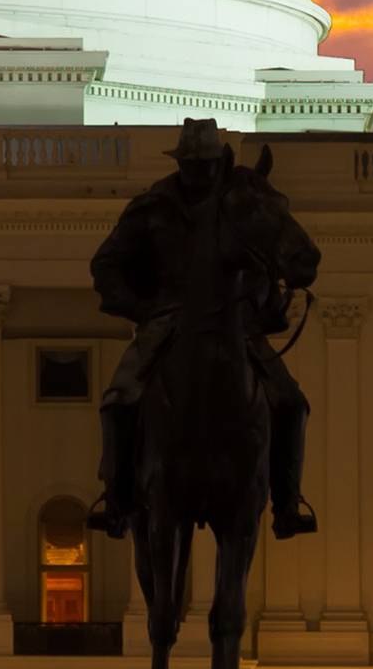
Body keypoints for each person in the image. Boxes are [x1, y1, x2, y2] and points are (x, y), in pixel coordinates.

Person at [89, 115, 319, 538]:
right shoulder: (153, 207)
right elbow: (106, 266)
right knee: (119, 399)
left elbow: (263, 259)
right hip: (165, 321)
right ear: (181, 165)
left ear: (220, 164)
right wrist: (143, 308)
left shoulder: (236, 211)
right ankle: (117, 498)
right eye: (194, 165)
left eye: (209, 165)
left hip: (236, 326)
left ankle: (287, 502)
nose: (202, 173)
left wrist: (267, 301)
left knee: (291, 401)